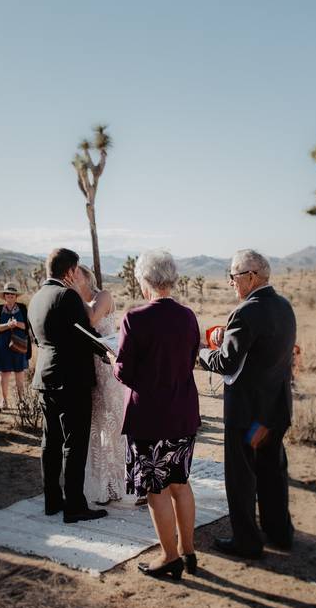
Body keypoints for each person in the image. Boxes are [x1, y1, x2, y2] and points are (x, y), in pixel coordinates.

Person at [198, 249, 297, 559]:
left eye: (233, 276)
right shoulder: (284, 306)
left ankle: (247, 541)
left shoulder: (246, 311)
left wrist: (200, 354)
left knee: (242, 477)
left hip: (248, 414)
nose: (231, 283)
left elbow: (227, 363)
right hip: (274, 411)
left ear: (251, 277)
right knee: (272, 471)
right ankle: (279, 532)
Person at [112, 250, 201, 579]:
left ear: (144, 280)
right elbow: (190, 358)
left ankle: (169, 557)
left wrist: (113, 363)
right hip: (182, 411)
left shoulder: (135, 318)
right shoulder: (189, 316)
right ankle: (189, 551)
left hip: (150, 417)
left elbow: (126, 372)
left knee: (157, 489)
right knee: (180, 482)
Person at [27, 248, 107, 524]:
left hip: (45, 377)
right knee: (75, 442)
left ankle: (52, 500)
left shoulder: (36, 298)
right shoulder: (67, 295)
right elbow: (85, 334)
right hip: (72, 379)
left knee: (50, 441)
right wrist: (110, 353)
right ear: (71, 272)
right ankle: (74, 505)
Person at [75, 267, 127, 506]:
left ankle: (114, 484)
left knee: (111, 426)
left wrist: (74, 293)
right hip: (88, 370)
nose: (71, 277)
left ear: (87, 277)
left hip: (107, 369)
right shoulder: (77, 300)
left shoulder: (103, 295)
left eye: (76, 274)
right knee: (95, 428)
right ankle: (97, 484)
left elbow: (92, 320)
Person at [0, 282, 31, 409]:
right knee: (4, 374)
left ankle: (22, 401)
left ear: (16, 296)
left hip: (19, 344)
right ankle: (4, 400)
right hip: (2, 346)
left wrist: (16, 323)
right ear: (4, 295)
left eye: (12, 294)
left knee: (19, 374)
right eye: (7, 293)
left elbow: (26, 326)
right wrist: (7, 325)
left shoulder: (23, 308)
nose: (10, 296)